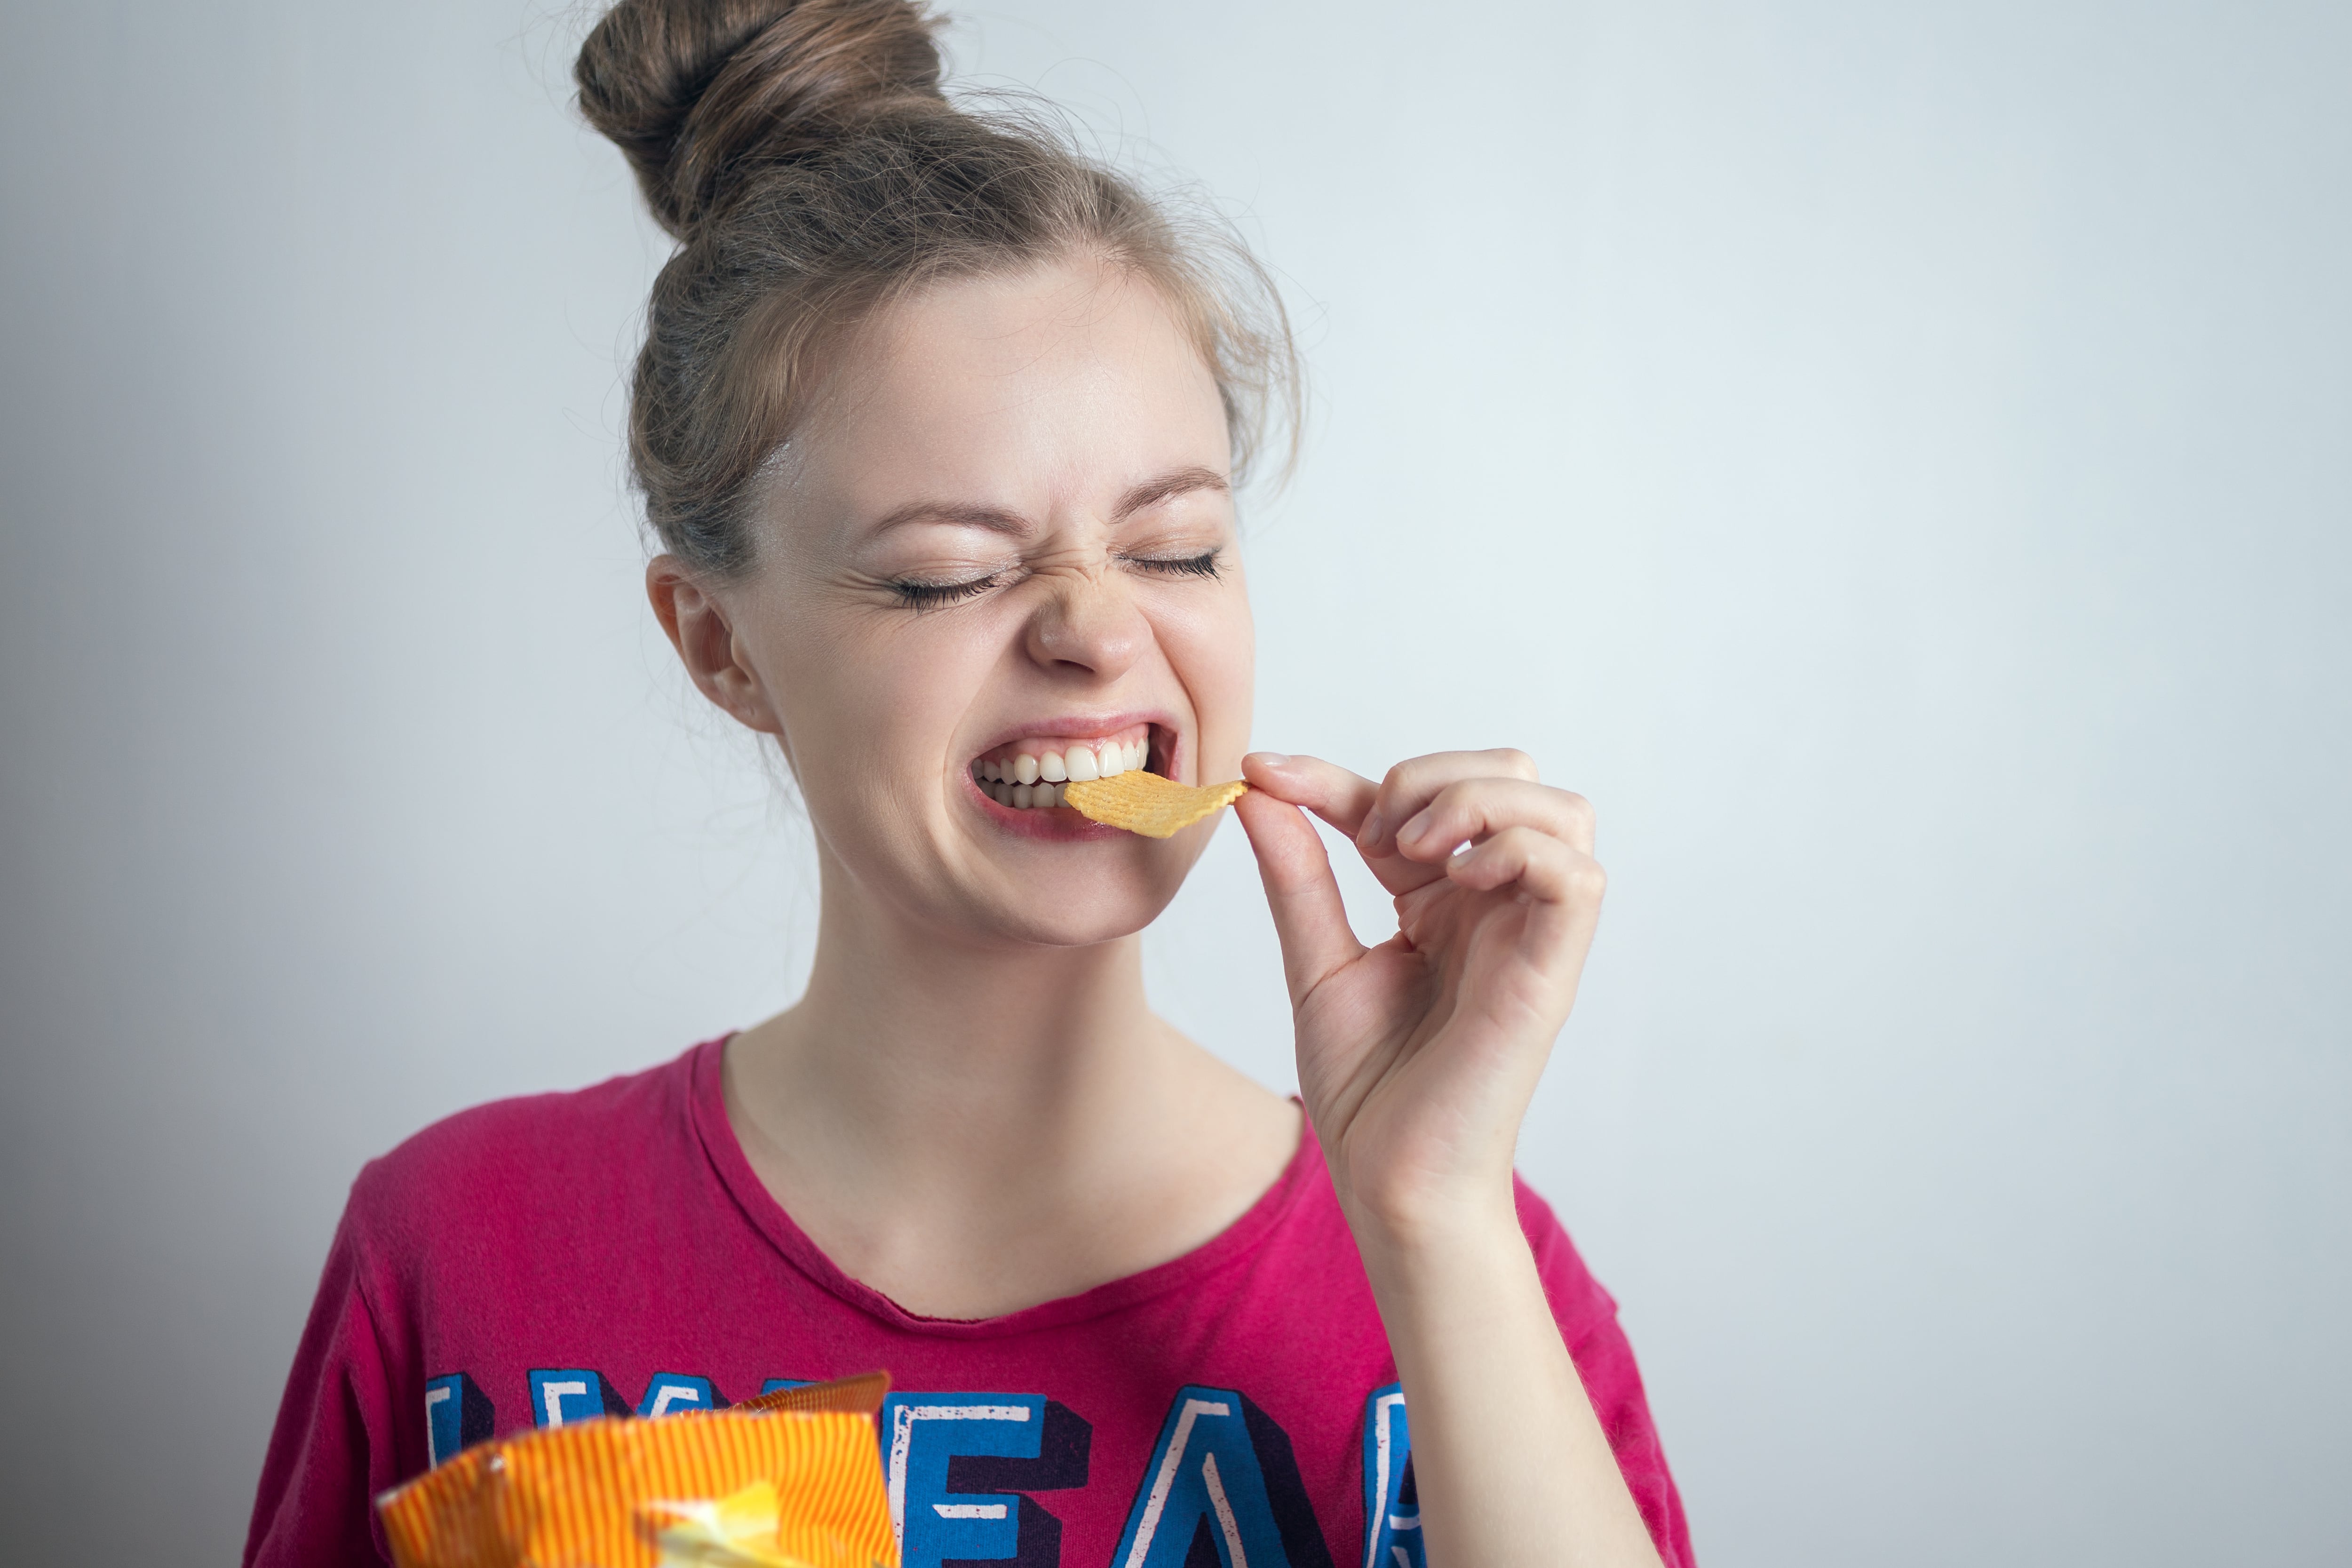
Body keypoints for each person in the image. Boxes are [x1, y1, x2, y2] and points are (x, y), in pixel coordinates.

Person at [243, 2, 1694, 1564]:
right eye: (947, 575)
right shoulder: (464, 1254)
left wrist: (1430, 1221)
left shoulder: (1478, 1274)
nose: (1094, 627)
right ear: (721, 645)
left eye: (1176, 547)